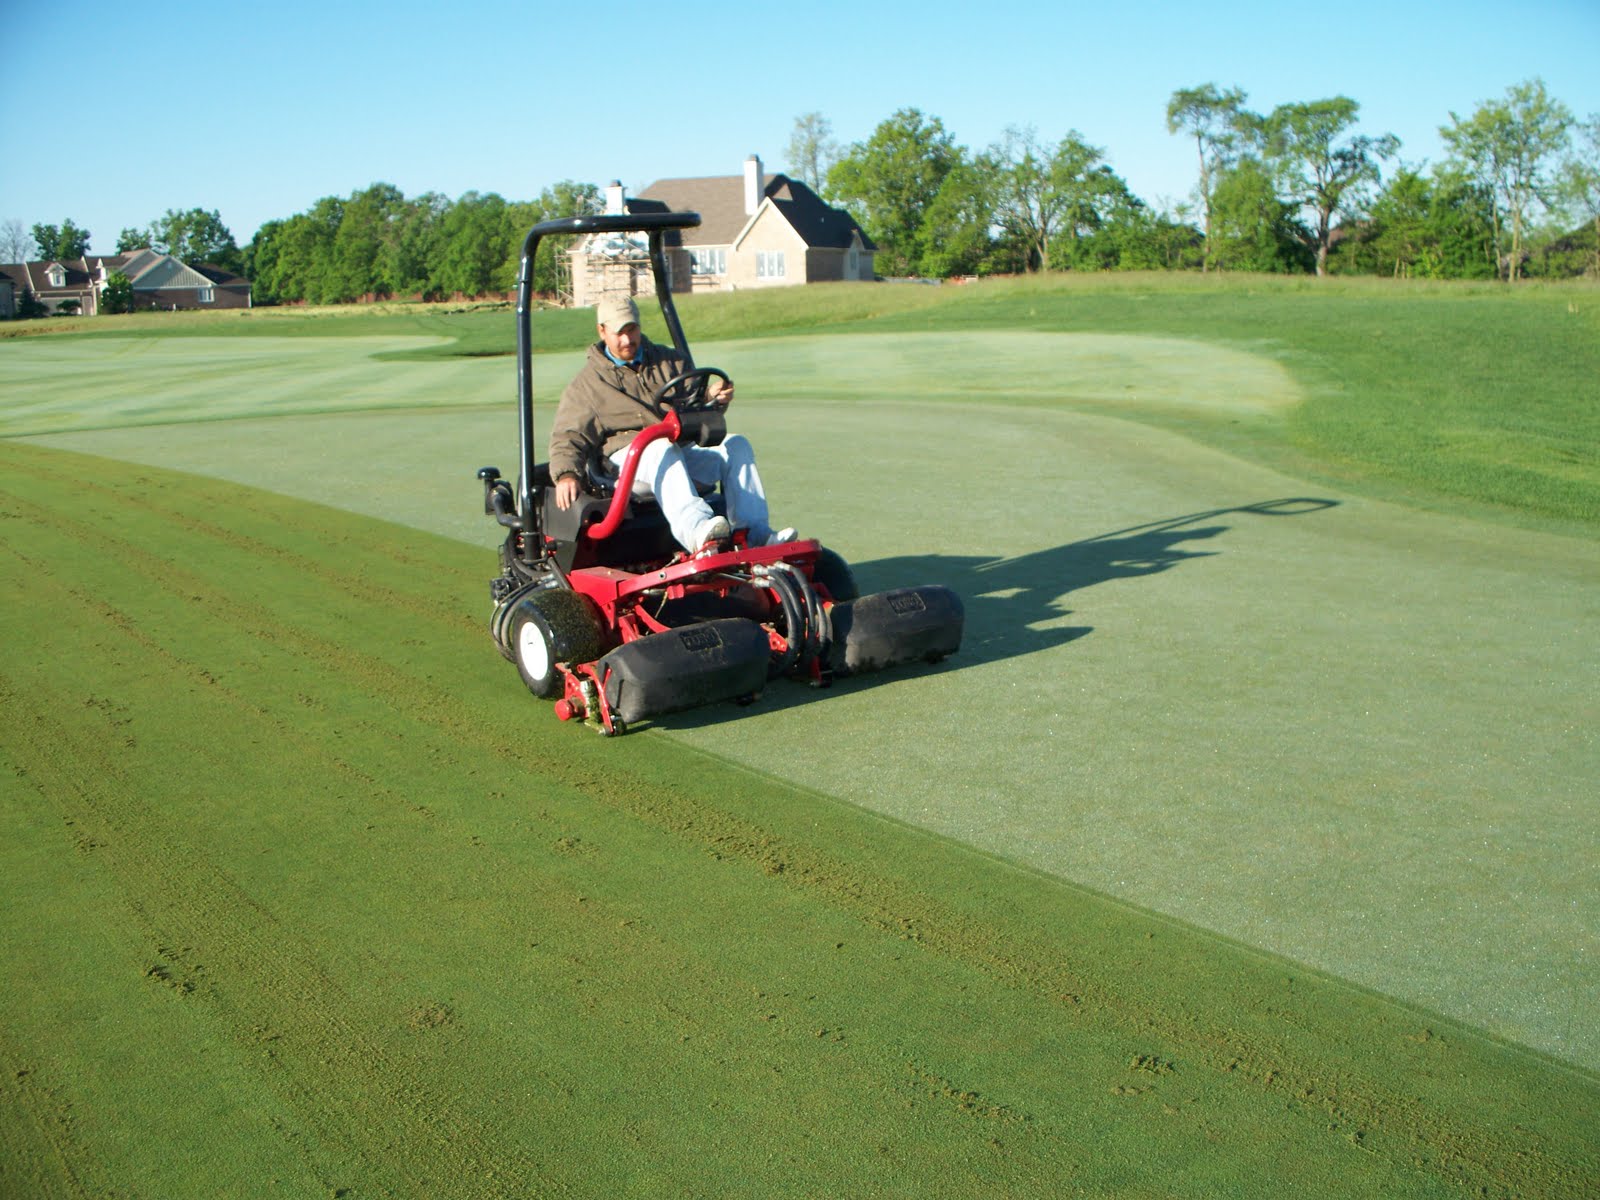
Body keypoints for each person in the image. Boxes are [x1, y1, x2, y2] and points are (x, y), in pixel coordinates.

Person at [548, 294, 794, 553]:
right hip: (626, 465)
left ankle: (754, 534)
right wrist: (566, 474)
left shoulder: (669, 361)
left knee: (736, 445)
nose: (627, 340)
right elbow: (568, 436)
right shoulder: (587, 385)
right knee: (659, 449)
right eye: (619, 332)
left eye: (632, 330)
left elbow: (697, 407)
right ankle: (698, 531)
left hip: (677, 449)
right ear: (602, 331)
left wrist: (713, 397)